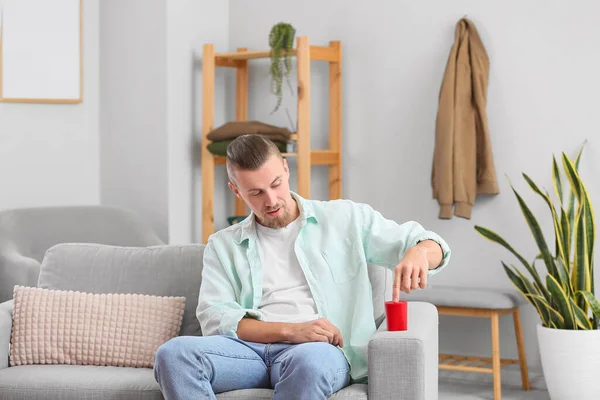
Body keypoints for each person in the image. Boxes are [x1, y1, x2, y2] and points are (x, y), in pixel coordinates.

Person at [154, 134, 451, 400]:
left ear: (285, 168)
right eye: (255, 193)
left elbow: (430, 244)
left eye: (275, 184)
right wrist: (291, 330)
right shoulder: (224, 245)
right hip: (248, 353)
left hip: (319, 351)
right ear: (236, 190)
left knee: (310, 365)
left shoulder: (345, 218)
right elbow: (216, 317)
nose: (271, 200)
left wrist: (420, 252)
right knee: (174, 355)